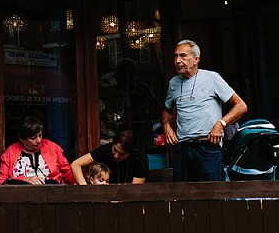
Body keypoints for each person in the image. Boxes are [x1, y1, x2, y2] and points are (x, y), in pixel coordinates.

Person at [161, 39, 248, 182]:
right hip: (182, 149)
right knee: (182, 197)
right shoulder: (173, 83)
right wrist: (166, 124)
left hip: (207, 149)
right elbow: (167, 111)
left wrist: (221, 124)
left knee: (213, 197)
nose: (177, 60)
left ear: (196, 59)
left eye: (183, 56)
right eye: (175, 56)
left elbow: (241, 106)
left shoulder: (211, 78)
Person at [0, 117, 75, 185]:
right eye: (33, 138)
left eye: (40, 135)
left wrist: (79, 182)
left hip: (53, 193)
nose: (39, 140)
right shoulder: (10, 152)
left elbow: (67, 172)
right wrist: (25, 179)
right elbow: (1, 181)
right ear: (22, 139)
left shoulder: (53, 148)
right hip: (19, 196)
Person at [70, 129, 149, 184]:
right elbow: (75, 164)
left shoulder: (140, 158)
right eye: (114, 150)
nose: (116, 155)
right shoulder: (106, 149)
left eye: (122, 154)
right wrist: (84, 187)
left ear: (130, 153)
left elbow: (134, 192)